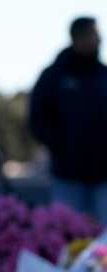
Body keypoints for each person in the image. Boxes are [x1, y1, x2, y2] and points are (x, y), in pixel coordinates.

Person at [30, 16, 107, 223]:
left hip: (103, 176)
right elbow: (37, 119)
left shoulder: (103, 76)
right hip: (67, 176)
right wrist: (61, 146)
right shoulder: (54, 77)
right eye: (93, 34)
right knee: (67, 235)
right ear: (77, 38)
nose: (99, 39)